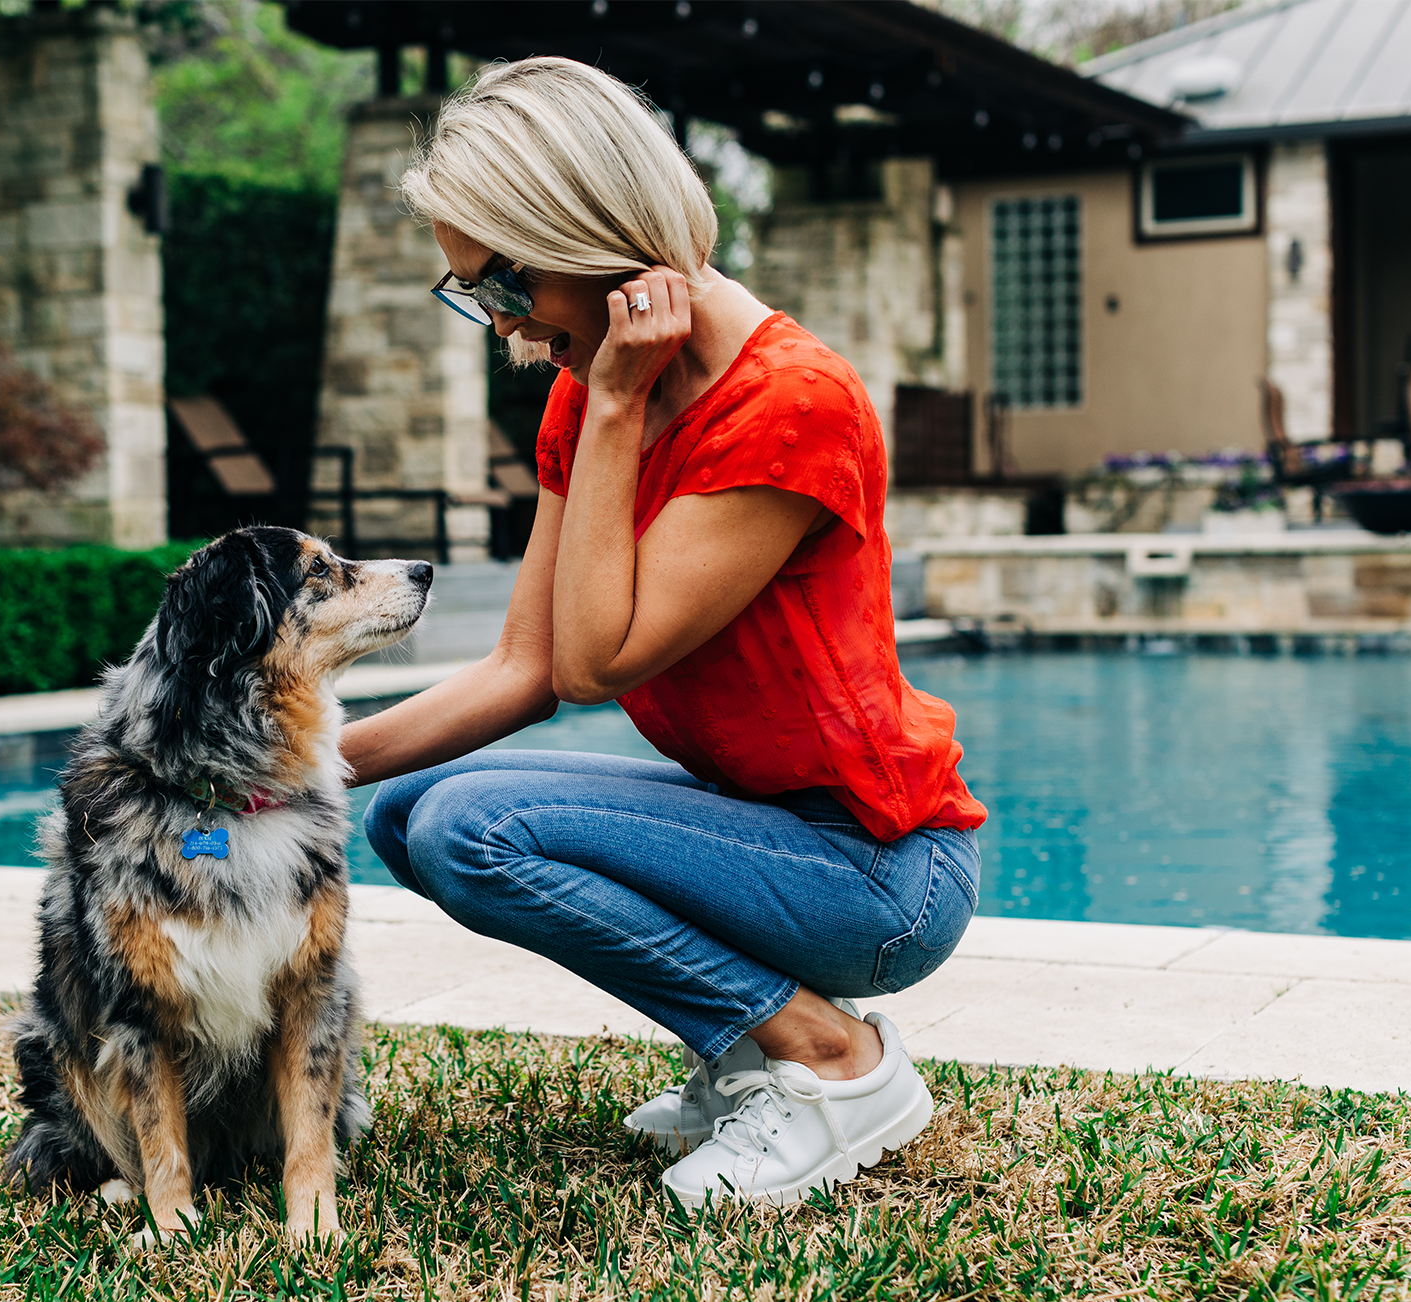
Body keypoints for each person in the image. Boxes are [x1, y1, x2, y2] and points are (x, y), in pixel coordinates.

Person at [341, 57, 986, 1210]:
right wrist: (271, 771)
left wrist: (616, 404)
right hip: (761, 834)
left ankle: (829, 1059)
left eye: (502, 288)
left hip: (879, 875)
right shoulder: (588, 385)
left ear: (589, 234)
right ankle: (748, 1058)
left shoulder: (789, 406)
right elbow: (523, 669)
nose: (505, 329)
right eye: (474, 296)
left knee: (472, 826)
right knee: (403, 812)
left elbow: (594, 662)